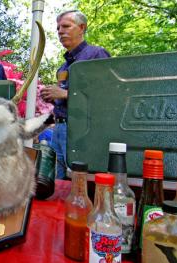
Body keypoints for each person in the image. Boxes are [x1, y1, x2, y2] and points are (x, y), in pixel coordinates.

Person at [41, 10, 111, 180]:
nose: (60, 31)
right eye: (58, 28)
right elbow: (65, 98)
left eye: (65, 26)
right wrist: (53, 97)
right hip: (58, 129)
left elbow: (107, 95)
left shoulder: (96, 54)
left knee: (80, 182)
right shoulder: (63, 68)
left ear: (81, 28)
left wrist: (65, 94)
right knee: (57, 182)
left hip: (82, 132)